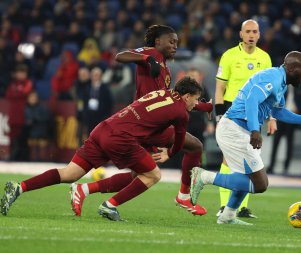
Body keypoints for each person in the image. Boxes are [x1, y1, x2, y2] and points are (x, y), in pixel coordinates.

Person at [0, 76, 203, 221]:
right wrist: (169, 153)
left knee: (69, 174)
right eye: (195, 99)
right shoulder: (181, 112)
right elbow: (179, 140)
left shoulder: (164, 93)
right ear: (186, 96)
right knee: (152, 175)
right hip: (121, 138)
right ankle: (109, 206)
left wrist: (208, 107)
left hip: (104, 128)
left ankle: (19, 188)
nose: (196, 103)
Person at [190, 51, 301, 225]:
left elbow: (279, 112)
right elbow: (252, 100)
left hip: (239, 129)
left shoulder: (282, 83)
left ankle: (227, 216)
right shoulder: (272, 77)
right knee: (260, 184)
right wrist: (255, 130)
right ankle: (203, 177)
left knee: (245, 178)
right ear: (292, 68)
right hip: (235, 129)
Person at [83, 24, 211, 216]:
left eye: (177, 42)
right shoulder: (153, 54)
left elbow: (176, 100)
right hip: (146, 122)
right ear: (158, 42)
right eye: (171, 41)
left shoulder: (166, 70)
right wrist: (146, 58)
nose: (175, 45)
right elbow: (120, 55)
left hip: (152, 122)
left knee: (140, 175)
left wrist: (203, 106)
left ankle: (84, 190)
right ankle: (183, 196)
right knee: (194, 146)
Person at [214, 19, 275, 218]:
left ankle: (241, 207)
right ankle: (224, 205)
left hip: (255, 112)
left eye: (254, 31)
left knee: (250, 157)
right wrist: (219, 115)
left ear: (259, 35)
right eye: (247, 31)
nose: (251, 35)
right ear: (241, 34)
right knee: (228, 158)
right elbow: (220, 88)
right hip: (232, 110)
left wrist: (272, 117)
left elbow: (270, 92)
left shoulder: (264, 58)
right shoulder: (229, 56)